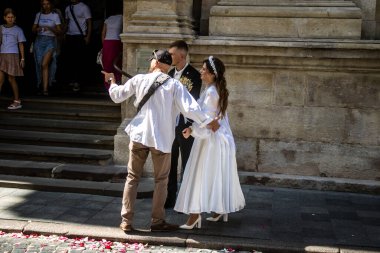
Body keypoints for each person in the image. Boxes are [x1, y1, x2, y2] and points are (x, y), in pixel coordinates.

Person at [101, 49, 220, 233]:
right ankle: (157, 221)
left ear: (156, 63)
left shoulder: (140, 79)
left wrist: (111, 81)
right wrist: (207, 121)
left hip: (139, 136)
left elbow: (117, 95)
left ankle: (126, 221)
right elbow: (190, 108)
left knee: (132, 178)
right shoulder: (174, 85)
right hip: (162, 139)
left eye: (151, 60)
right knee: (161, 181)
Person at [174, 56, 246, 229]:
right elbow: (210, 119)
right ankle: (219, 209)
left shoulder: (212, 92)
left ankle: (194, 214)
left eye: (204, 69)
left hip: (211, 141)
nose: (201, 71)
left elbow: (207, 121)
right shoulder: (213, 89)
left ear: (213, 74)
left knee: (200, 174)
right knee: (215, 174)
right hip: (219, 139)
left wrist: (192, 130)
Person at [165, 40, 202, 209]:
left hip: (186, 125)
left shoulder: (194, 75)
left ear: (182, 55)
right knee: (169, 164)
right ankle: (169, 198)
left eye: (171, 54)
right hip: (170, 125)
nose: (169, 57)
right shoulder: (169, 73)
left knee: (187, 163)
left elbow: (192, 100)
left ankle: (185, 200)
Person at [32, 0, 62, 96]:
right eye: (44, 4)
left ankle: (45, 89)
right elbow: (33, 29)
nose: (46, 6)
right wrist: (38, 29)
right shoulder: (39, 15)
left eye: (48, 4)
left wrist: (50, 28)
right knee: (40, 64)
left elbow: (59, 31)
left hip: (50, 40)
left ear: (51, 4)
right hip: (39, 41)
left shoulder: (55, 16)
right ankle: (41, 85)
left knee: (45, 64)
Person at [0, 8, 26, 110]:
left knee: (11, 78)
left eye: (12, 17)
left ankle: (17, 101)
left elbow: (21, 44)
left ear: (15, 18)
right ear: (4, 18)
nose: (10, 19)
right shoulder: (1, 28)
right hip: (2, 55)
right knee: (0, 79)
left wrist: (22, 59)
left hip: (13, 55)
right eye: (8, 17)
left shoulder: (18, 29)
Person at [63, 0, 91, 92]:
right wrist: (63, 34)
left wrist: (88, 36)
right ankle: (71, 80)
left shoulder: (84, 7)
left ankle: (78, 81)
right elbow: (66, 22)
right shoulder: (68, 8)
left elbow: (89, 22)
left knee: (79, 59)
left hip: (80, 36)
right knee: (70, 59)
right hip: (69, 35)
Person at [100, 4, 122, 89]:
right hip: (116, 42)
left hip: (107, 42)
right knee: (117, 62)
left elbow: (103, 34)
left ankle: (108, 84)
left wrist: (104, 45)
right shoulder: (122, 17)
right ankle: (117, 81)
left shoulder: (108, 19)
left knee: (107, 64)